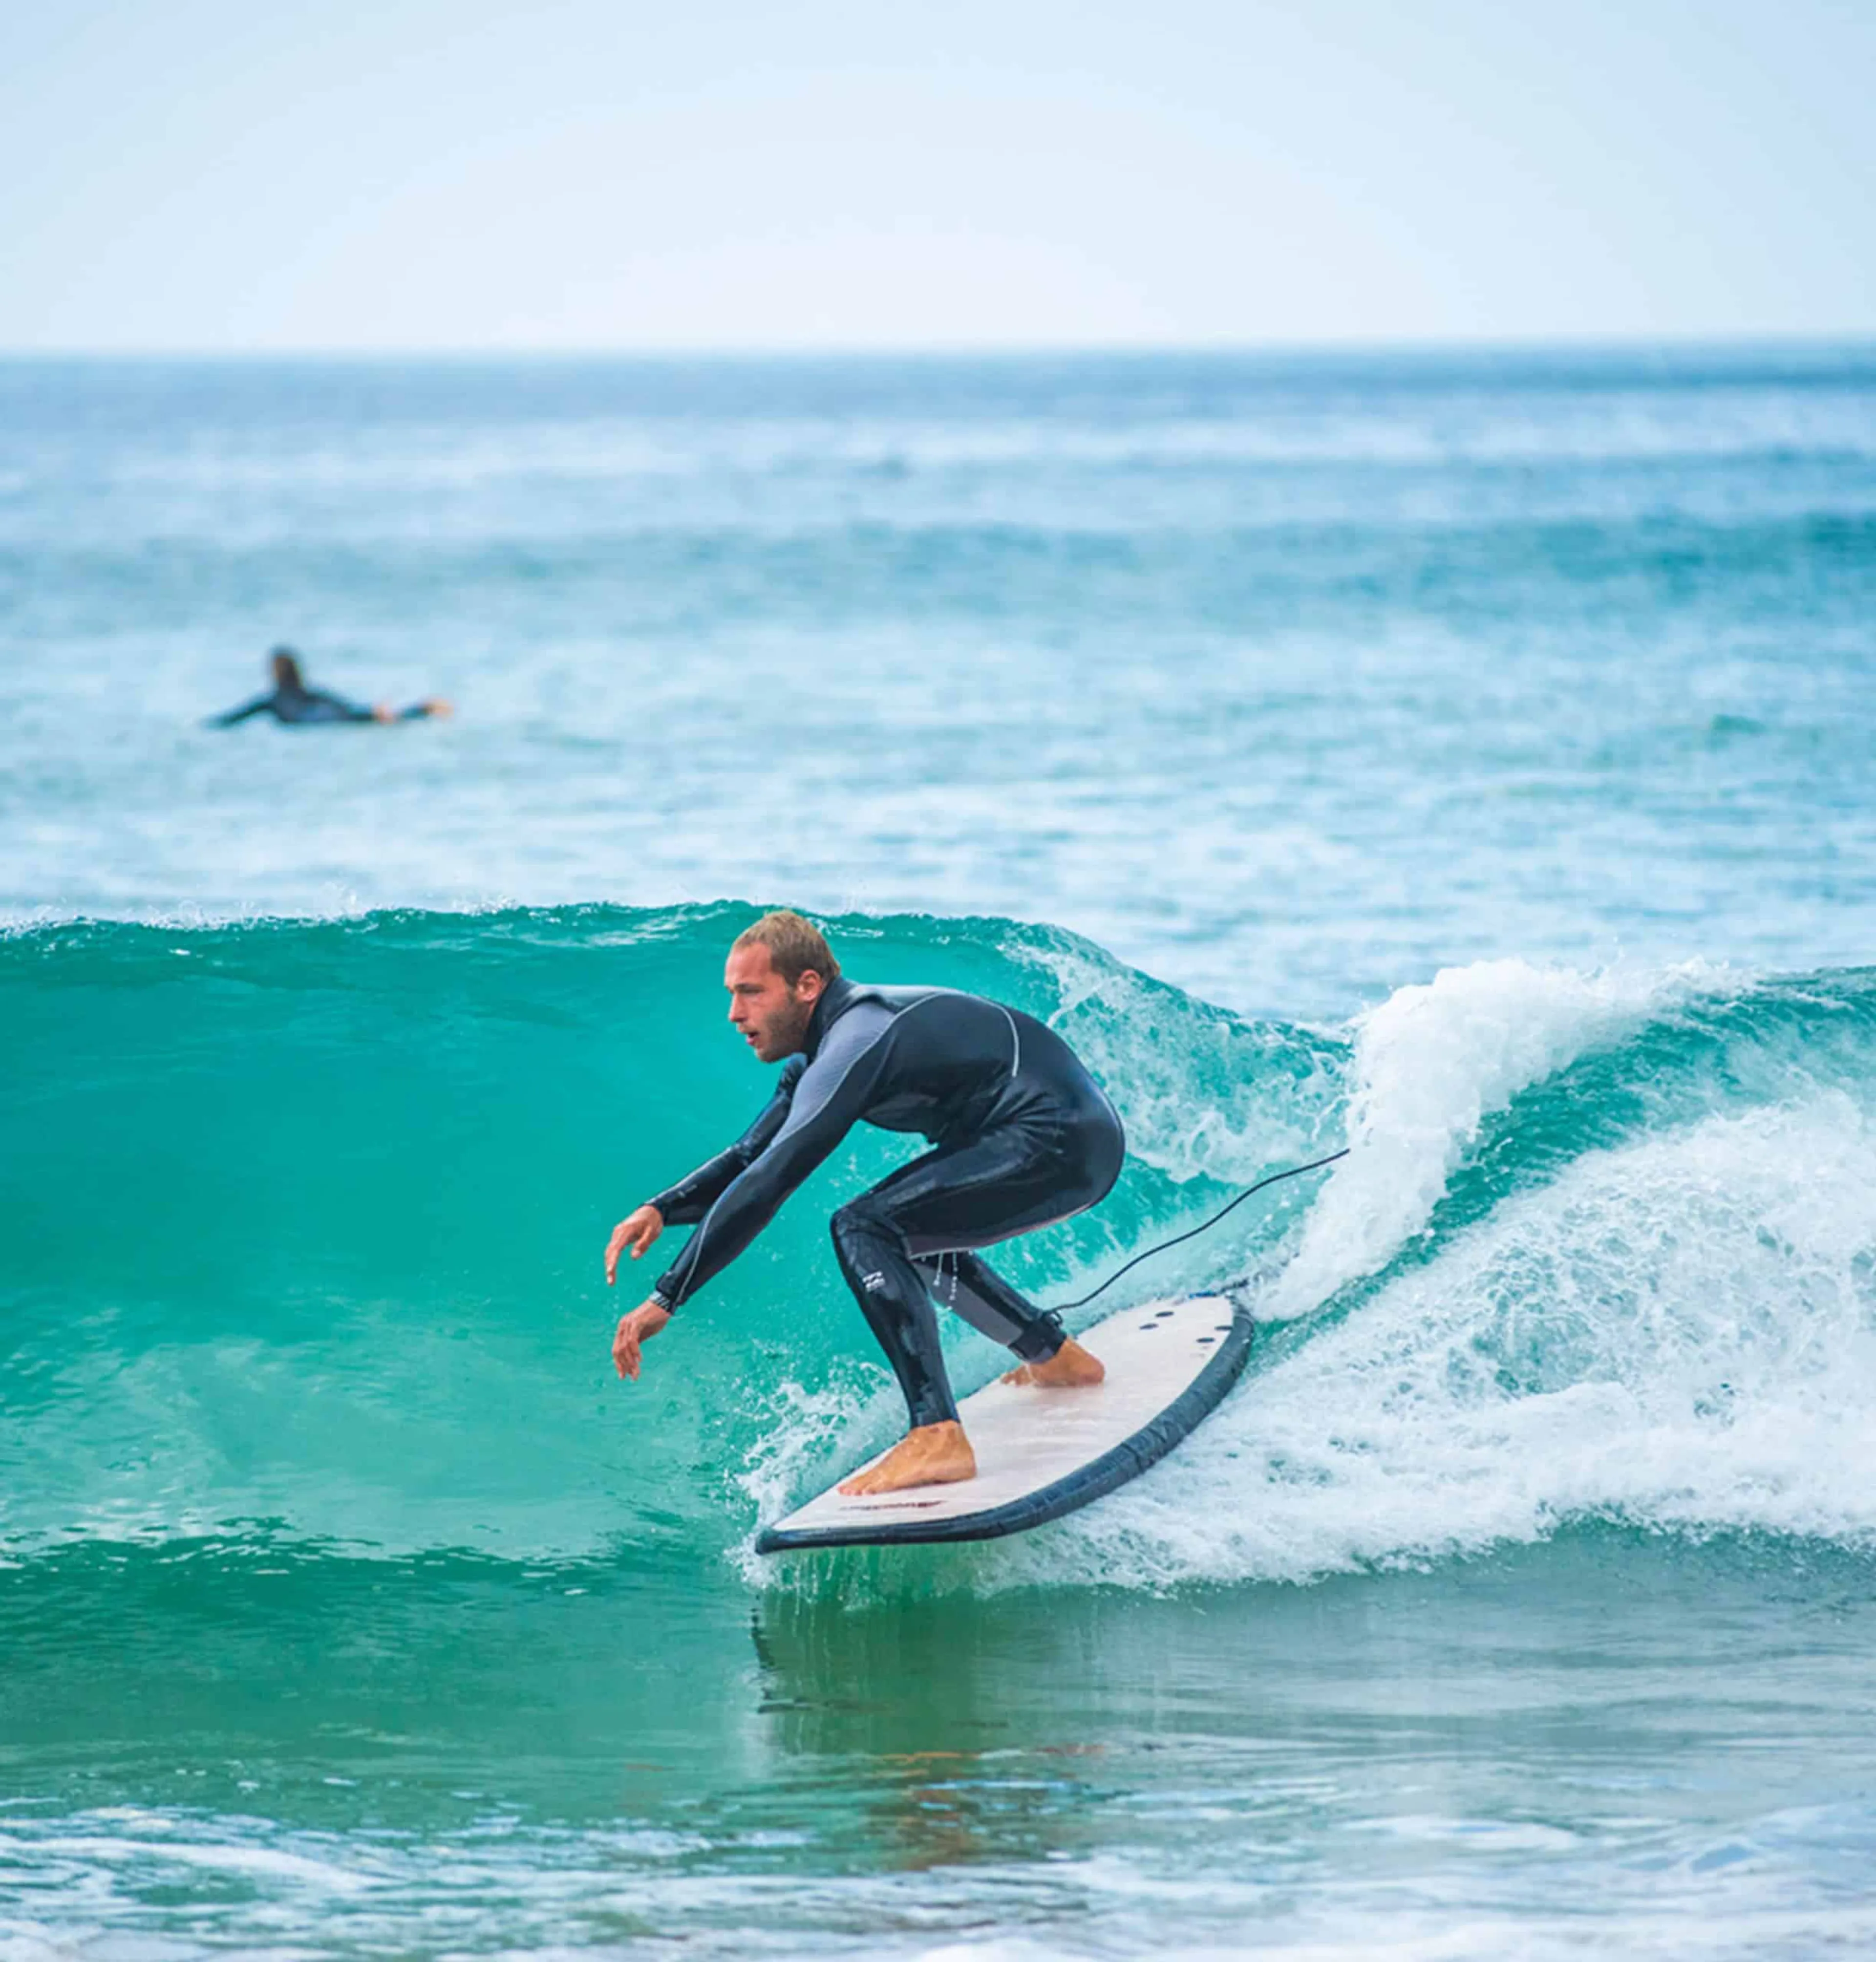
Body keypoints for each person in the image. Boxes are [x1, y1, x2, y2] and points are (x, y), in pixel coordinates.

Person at [605, 911, 1124, 1497]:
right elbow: (753, 1155)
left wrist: (667, 1296)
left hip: (1061, 1138)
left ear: (807, 986)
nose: (734, 1013)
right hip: (1057, 1138)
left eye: (751, 992)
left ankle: (937, 1433)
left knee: (866, 1226)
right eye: (732, 994)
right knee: (906, 1230)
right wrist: (662, 1207)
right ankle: (1055, 1358)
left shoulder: (860, 1034)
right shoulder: (819, 1055)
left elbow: (771, 1182)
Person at [207, 647, 452, 727]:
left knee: (359, 719)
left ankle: (419, 710)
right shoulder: (309, 692)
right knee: (362, 718)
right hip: (324, 712)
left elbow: (237, 717)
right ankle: (422, 710)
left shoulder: (272, 700)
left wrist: (210, 725)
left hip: (308, 720)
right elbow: (339, 704)